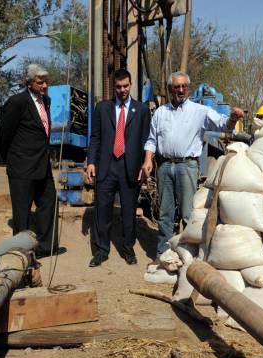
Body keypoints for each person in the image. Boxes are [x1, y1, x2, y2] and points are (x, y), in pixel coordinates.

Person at [141, 71, 244, 259]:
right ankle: (163, 254)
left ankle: (189, 254)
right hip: (164, 167)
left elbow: (223, 125)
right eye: (176, 87)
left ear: (188, 88)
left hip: (187, 166)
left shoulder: (199, 111)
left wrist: (233, 118)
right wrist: (148, 160)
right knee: (165, 213)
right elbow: (151, 140)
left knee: (188, 213)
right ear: (170, 89)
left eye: (183, 86)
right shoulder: (160, 113)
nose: (180, 90)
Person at [86, 69, 151, 267]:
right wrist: (90, 162)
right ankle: (101, 251)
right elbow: (95, 137)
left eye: (125, 86)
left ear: (131, 85)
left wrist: (144, 164)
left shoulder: (141, 110)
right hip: (106, 167)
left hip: (129, 168)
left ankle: (128, 249)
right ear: (113, 87)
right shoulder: (102, 108)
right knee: (102, 210)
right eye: (118, 86)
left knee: (129, 212)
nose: (122, 90)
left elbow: (146, 139)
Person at [0, 63, 57, 257]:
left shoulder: (45, 101)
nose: (45, 85)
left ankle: (45, 247)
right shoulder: (17, 102)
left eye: (46, 81)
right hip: (21, 167)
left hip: (42, 165)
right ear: (28, 83)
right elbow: (3, 135)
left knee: (49, 202)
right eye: (40, 82)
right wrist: (13, 161)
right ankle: (22, 251)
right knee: (22, 212)